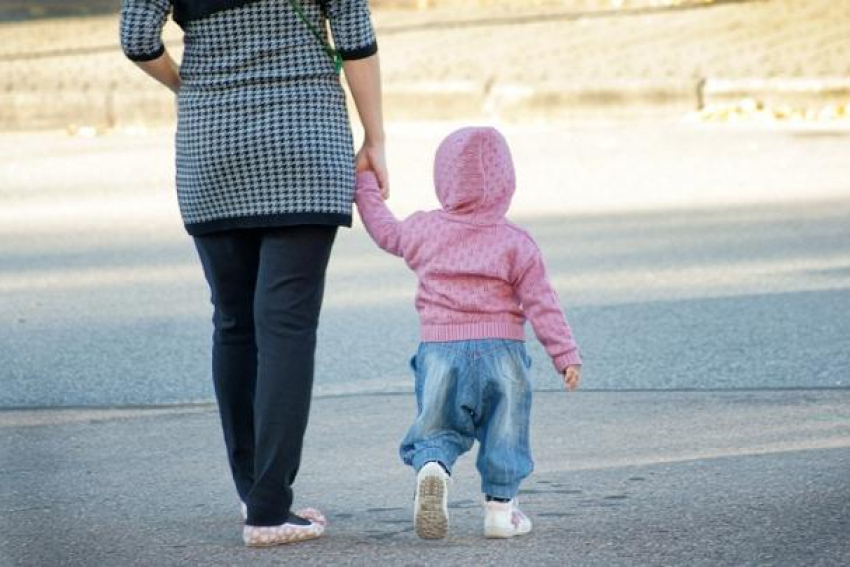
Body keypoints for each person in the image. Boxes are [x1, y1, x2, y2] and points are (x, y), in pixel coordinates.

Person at [120, 0, 387, 547]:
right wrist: (375, 137)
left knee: (235, 322)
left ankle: (254, 494)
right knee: (286, 326)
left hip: (212, 146)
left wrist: (187, 86)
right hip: (305, 142)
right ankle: (269, 508)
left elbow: (137, 37)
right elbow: (355, 36)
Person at [354, 126, 582, 540]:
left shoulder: (425, 229)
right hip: (503, 352)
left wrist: (365, 182)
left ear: (443, 180)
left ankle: (432, 469)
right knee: (505, 429)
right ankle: (500, 511)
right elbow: (541, 302)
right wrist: (564, 353)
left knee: (438, 426)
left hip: (441, 350)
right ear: (506, 183)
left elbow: (383, 229)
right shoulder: (516, 243)